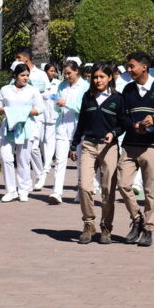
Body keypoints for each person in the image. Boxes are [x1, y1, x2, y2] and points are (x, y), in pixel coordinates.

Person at [117, 52, 154, 247]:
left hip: (151, 146)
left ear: (144, 67)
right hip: (130, 146)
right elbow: (122, 117)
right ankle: (137, 218)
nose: (129, 70)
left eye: (132, 66)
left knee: (150, 191)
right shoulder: (128, 90)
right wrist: (133, 125)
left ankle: (148, 228)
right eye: (128, 66)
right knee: (123, 184)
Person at [70, 63, 125, 244]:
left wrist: (114, 133)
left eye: (102, 77)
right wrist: (74, 144)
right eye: (95, 77)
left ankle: (106, 227)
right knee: (85, 186)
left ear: (110, 77)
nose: (98, 80)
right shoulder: (88, 97)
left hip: (109, 147)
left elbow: (123, 124)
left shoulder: (118, 98)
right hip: (89, 145)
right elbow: (81, 123)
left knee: (108, 189)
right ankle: (88, 224)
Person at [0, 62, 43, 202]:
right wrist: (4, 110)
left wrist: (24, 112)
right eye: (22, 75)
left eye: (27, 75)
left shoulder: (32, 91)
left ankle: (23, 190)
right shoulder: (5, 89)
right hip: (8, 128)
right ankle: (11, 191)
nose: (25, 78)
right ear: (15, 76)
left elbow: (40, 108)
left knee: (23, 160)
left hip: (25, 128)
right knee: (6, 157)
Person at [49, 59, 88, 204]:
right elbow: (57, 106)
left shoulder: (85, 86)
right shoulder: (62, 85)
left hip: (78, 128)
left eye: (69, 73)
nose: (66, 76)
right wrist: (58, 104)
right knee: (60, 160)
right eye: (65, 74)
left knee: (79, 162)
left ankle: (81, 191)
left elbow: (83, 108)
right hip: (62, 127)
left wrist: (67, 103)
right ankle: (57, 192)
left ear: (76, 71)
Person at [14, 48, 50, 189]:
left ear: (26, 58)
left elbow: (48, 93)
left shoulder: (41, 74)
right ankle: (27, 180)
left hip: (36, 117)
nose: (17, 60)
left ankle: (40, 174)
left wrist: (35, 91)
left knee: (34, 147)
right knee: (24, 149)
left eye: (19, 58)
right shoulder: (17, 74)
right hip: (21, 118)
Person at [40, 63, 61, 181]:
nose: (53, 73)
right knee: (41, 141)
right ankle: (46, 160)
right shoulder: (40, 83)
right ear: (45, 72)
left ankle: (46, 165)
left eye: (54, 71)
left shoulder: (58, 83)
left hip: (53, 116)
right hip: (41, 116)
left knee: (49, 141)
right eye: (51, 71)